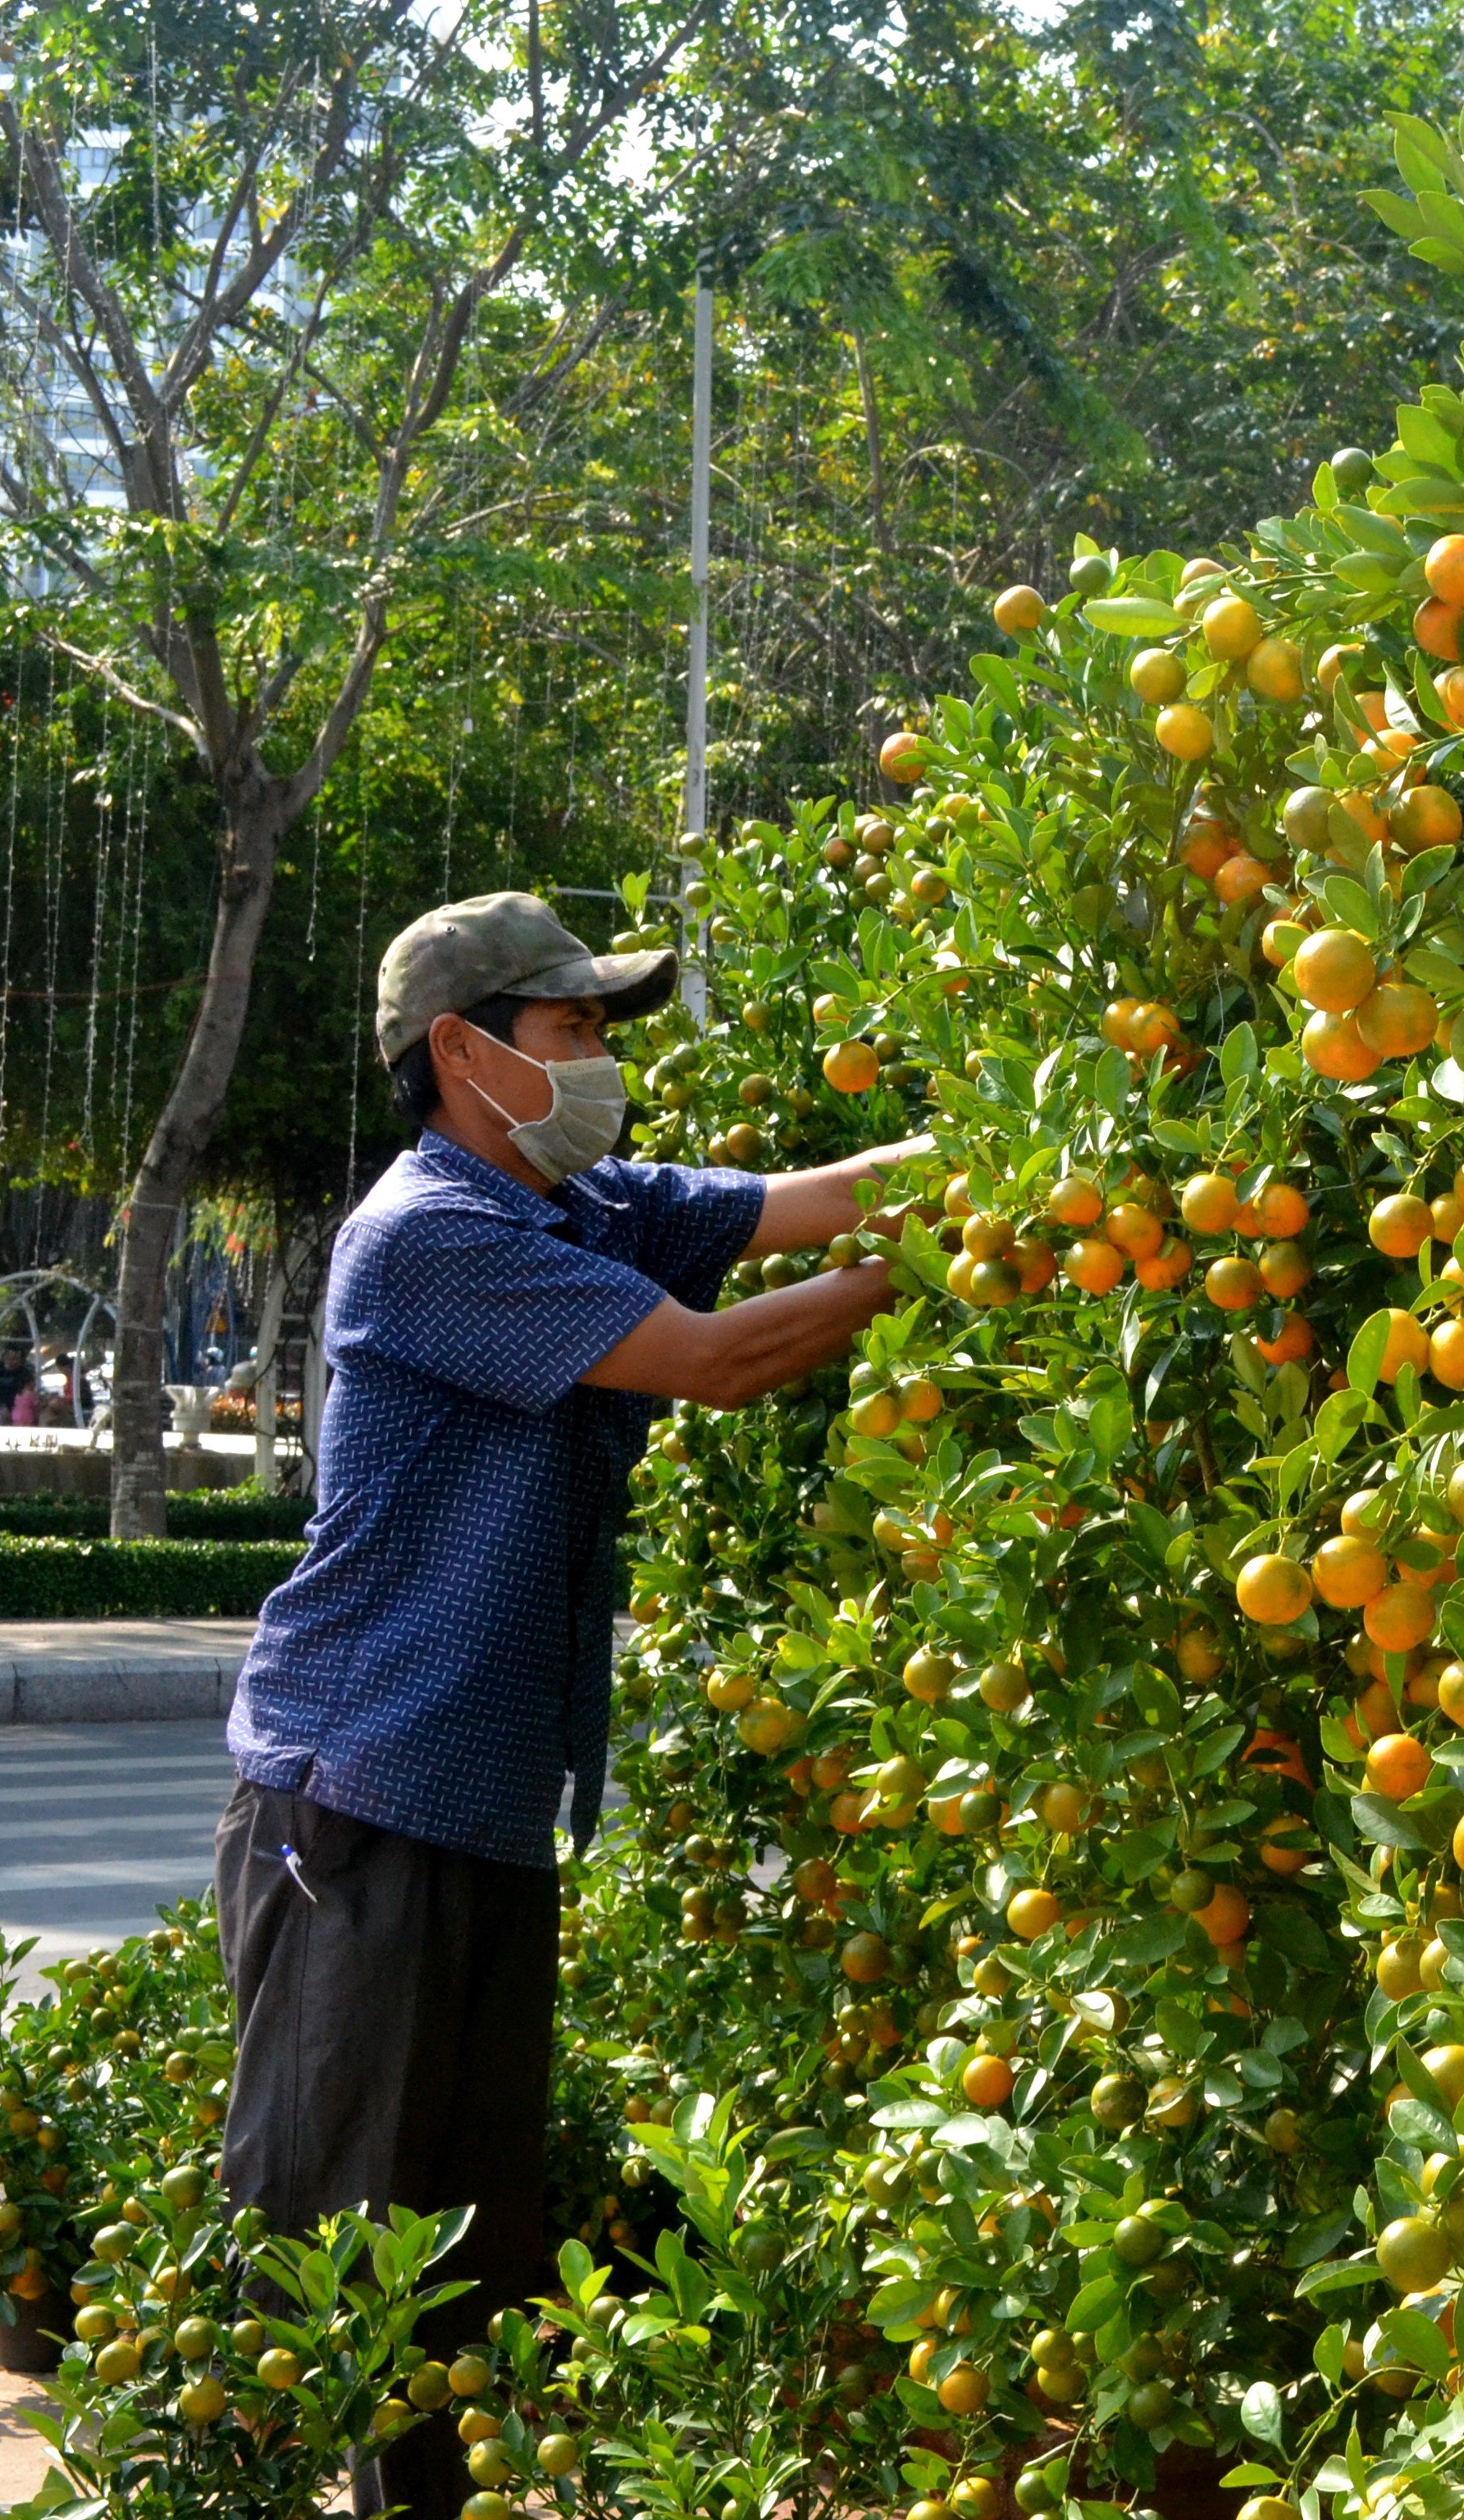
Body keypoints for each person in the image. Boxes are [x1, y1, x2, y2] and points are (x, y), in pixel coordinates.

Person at [212, 892, 922, 2519]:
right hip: (359, 1805)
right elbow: (719, 1359)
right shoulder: (433, 1236)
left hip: (474, 1807)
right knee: (346, 2271)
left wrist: (1039, 1146)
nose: (603, 1061)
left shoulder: (579, 1203)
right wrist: (928, 1271)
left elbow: (812, 1202)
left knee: (467, 2268)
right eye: (577, 1028)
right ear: (464, 1052)